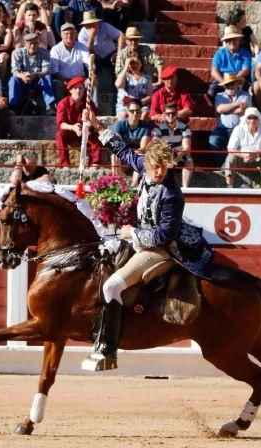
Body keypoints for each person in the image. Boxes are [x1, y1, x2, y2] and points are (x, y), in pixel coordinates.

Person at [84, 111, 216, 371]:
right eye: (155, 167)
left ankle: (107, 351)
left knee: (111, 287)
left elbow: (163, 236)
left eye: (164, 168)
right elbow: (122, 149)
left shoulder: (172, 195)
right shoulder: (145, 168)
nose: (159, 172)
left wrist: (131, 233)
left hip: (163, 249)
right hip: (140, 240)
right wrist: (98, 124)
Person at [55, 76, 101, 168]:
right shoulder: (63, 103)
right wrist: (73, 128)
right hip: (70, 131)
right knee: (59, 135)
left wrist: (88, 122)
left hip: (85, 130)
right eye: (75, 88)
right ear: (70, 91)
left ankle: (95, 163)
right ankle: (65, 165)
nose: (78, 91)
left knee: (96, 136)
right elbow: (61, 124)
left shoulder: (88, 102)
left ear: (84, 90)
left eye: (80, 88)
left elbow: (94, 119)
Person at [223, 107, 261, 188]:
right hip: (241, 159)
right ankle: (229, 185)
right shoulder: (238, 129)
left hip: (258, 159)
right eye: (250, 118)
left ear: (258, 119)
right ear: (246, 119)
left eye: (255, 118)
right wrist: (244, 155)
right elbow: (230, 149)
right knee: (230, 157)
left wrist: (255, 154)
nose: (252, 120)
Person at [9, 32, 54, 114]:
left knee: (47, 77)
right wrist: (22, 76)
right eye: (30, 43)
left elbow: (46, 70)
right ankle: (12, 107)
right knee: (13, 79)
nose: (33, 46)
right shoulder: (17, 53)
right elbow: (14, 70)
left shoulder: (45, 52)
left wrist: (35, 75)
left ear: (39, 43)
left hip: (37, 80)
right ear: (25, 43)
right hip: (23, 80)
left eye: (35, 43)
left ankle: (49, 107)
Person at [152, 102, 194, 188]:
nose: (171, 116)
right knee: (155, 156)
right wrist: (167, 157)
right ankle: (158, 184)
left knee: (189, 159)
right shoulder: (158, 127)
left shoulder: (184, 127)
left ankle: (185, 188)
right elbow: (156, 145)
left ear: (177, 114)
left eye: (173, 113)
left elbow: (187, 147)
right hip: (164, 155)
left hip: (179, 155)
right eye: (168, 114)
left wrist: (176, 159)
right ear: (164, 114)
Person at [209, 74, 252, 155]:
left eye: (231, 83)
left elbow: (241, 111)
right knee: (213, 141)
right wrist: (238, 103)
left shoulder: (246, 95)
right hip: (222, 129)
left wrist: (225, 111)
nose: (229, 86)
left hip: (240, 128)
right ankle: (222, 165)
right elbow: (219, 109)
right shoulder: (219, 95)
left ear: (237, 83)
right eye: (226, 84)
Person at [112, 98, 152, 180]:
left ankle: (134, 183)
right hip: (123, 153)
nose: (135, 113)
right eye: (132, 111)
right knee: (114, 155)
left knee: (141, 156)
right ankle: (119, 179)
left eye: (137, 111)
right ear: (127, 111)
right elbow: (117, 144)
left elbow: (143, 148)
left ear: (141, 112)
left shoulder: (145, 127)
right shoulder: (120, 124)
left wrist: (130, 155)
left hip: (136, 153)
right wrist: (126, 156)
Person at [50, 22, 90, 102]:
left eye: (72, 33)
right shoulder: (56, 49)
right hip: (64, 80)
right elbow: (55, 71)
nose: (69, 36)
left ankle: (92, 108)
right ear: (61, 35)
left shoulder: (82, 46)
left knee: (91, 81)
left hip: (80, 80)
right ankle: (61, 107)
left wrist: (92, 73)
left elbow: (89, 63)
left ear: (76, 34)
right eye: (66, 33)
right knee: (56, 83)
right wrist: (65, 81)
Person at [210, 26, 252, 100]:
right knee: (212, 90)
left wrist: (234, 80)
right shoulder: (219, 53)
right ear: (225, 41)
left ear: (239, 40)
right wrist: (225, 83)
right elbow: (214, 71)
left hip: (239, 79)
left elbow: (246, 70)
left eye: (234, 39)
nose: (232, 42)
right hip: (223, 79)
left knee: (249, 90)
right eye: (229, 40)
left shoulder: (246, 53)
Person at [114, 53, 152, 119]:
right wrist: (126, 67)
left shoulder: (147, 78)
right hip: (125, 106)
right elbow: (118, 85)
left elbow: (150, 96)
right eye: (132, 63)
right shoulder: (125, 76)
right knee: (124, 115)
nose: (135, 65)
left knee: (144, 114)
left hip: (140, 104)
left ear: (141, 64)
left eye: (137, 62)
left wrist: (138, 103)